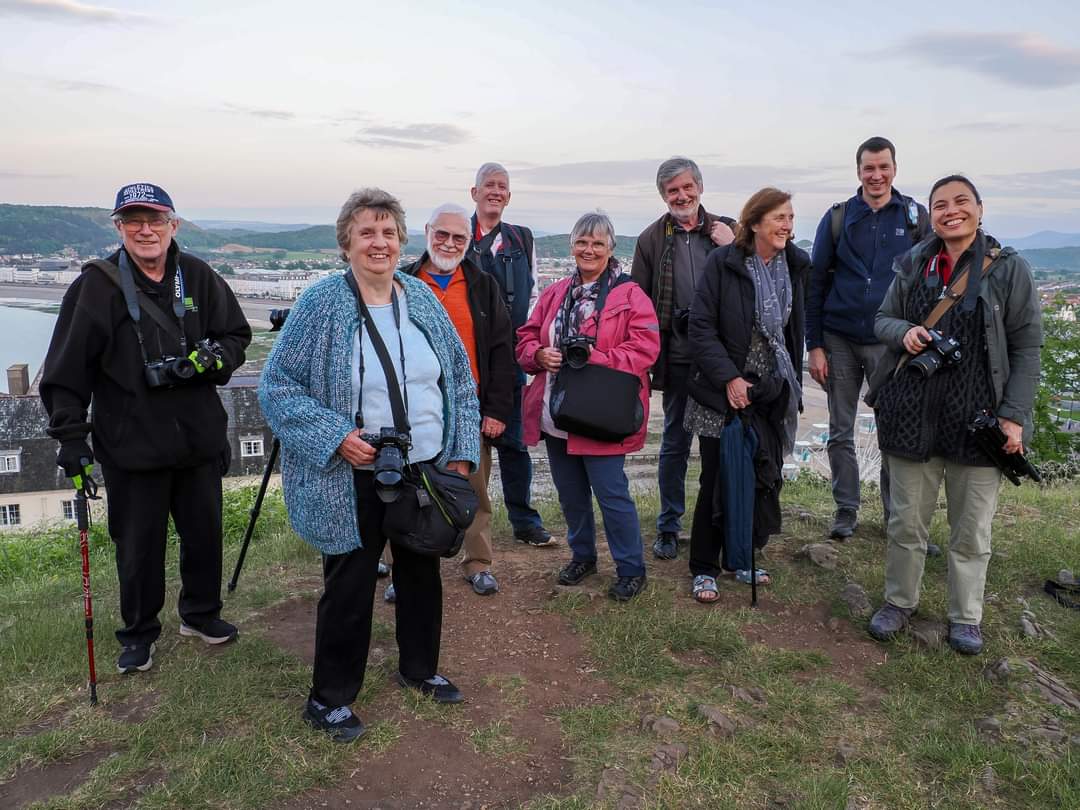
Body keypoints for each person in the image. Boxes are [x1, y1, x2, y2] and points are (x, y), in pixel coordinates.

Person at [259, 188, 480, 741]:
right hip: (350, 473)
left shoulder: (423, 299)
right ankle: (329, 699)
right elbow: (277, 386)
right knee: (350, 585)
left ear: (402, 240)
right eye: (366, 232)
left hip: (422, 467)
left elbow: (458, 380)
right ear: (347, 244)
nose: (378, 242)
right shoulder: (321, 304)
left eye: (387, 232)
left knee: (421, 572)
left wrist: (460, 451)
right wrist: (336, 437)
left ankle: (419, 669)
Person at [40, 182, 251, 673]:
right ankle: (138, 632)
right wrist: (71, 437)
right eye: (133, 220)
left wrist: (212, 359)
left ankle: (200, 615)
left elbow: (236, 335)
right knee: (138, 546)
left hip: (197, 440)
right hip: (130, 445)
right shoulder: (95, 286)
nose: (145, 229)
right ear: (119, 228)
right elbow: (65, 372)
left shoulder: (196, 276)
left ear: (173, 225)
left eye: (155, 219)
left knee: (204, 536)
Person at [866, 176, 1042, 655]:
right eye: (940, 205)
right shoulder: (914, 263)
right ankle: (899, 602)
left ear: (980, 210)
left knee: (971, 530)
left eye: (961, 202)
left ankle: (965, 617)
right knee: (906, 523)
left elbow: (1027, 347)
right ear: (931, 215)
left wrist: (1014, 416)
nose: (951, 211)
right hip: (912, 413)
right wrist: (905, 333)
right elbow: (882, 319)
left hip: (978, 418)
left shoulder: (1008, 270)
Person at [516, 212, 660, 601]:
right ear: (572, 246)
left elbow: (646, 350)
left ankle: (631, 568)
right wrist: (538, 355)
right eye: (582, 242)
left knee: (612, 495)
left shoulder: (630, 295)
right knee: (571, 495)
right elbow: (526, 338)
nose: (589, 249)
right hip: (557, 413)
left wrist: (596, 357)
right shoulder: (555, 292)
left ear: (611, 248)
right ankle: (583, 556)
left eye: (597, 243)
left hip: (601, 415)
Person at [684, 188, 808, 603]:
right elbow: (700, 328)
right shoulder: (724, 263)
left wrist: (785, 386)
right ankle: (704, 566)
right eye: (779, 218)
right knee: (717, 477)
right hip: (722, 390)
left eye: (790, 217)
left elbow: (793, 332)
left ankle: (743, 557)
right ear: (755, 222)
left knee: (760, 474)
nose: (787, 226)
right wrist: (730, 380)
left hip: (770, 389)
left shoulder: (794, 266)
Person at [805, 137, 929, 541]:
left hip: (889, 340)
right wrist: (815, 344)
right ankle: (846, 510)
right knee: (840, 428)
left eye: (883, 167)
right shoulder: (839, 217)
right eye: (868, 168)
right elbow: (816, 281)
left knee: (892, 429)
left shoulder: (914, 217)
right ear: (857, 171)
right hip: (839, 335)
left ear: (895, 168)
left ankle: (897, 516)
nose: (876, 175)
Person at [403, 202, 515, 596]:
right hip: (412, 409)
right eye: (442, 235)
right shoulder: (402, 282)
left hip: (470, 408)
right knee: (407, 489)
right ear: (427, 232)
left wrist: (498, 409)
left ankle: (478, 562)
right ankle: (404, 566)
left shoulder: (483, 285)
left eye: (458, 237)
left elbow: (503, 349)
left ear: (469, 241)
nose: (449, 244)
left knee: (474, 488)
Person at [630, 157, 736, 561]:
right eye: (673, 190)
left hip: (722, 358)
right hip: (675, 356)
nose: (682, 196)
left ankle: (717, 521)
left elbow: (755, 275)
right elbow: (639, 303)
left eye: (687, 187)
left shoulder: (726, 230)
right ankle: (669, 526)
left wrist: (733, 245)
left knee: (718, 445)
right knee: (675, 443)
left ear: (700, 187)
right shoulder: (650, 239)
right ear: (663, 196)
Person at [469, 162, 556, 547]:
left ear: (508, 196)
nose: (496, 192)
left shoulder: (522, 239)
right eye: (489, 185)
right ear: (474, 193)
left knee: (515, 443)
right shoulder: (458, 236)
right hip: (469, 355)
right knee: (468, 447)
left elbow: (534, 293)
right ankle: (463, 524)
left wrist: (529, 339)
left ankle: (524, 521)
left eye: (502, 186)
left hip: (510, 352)